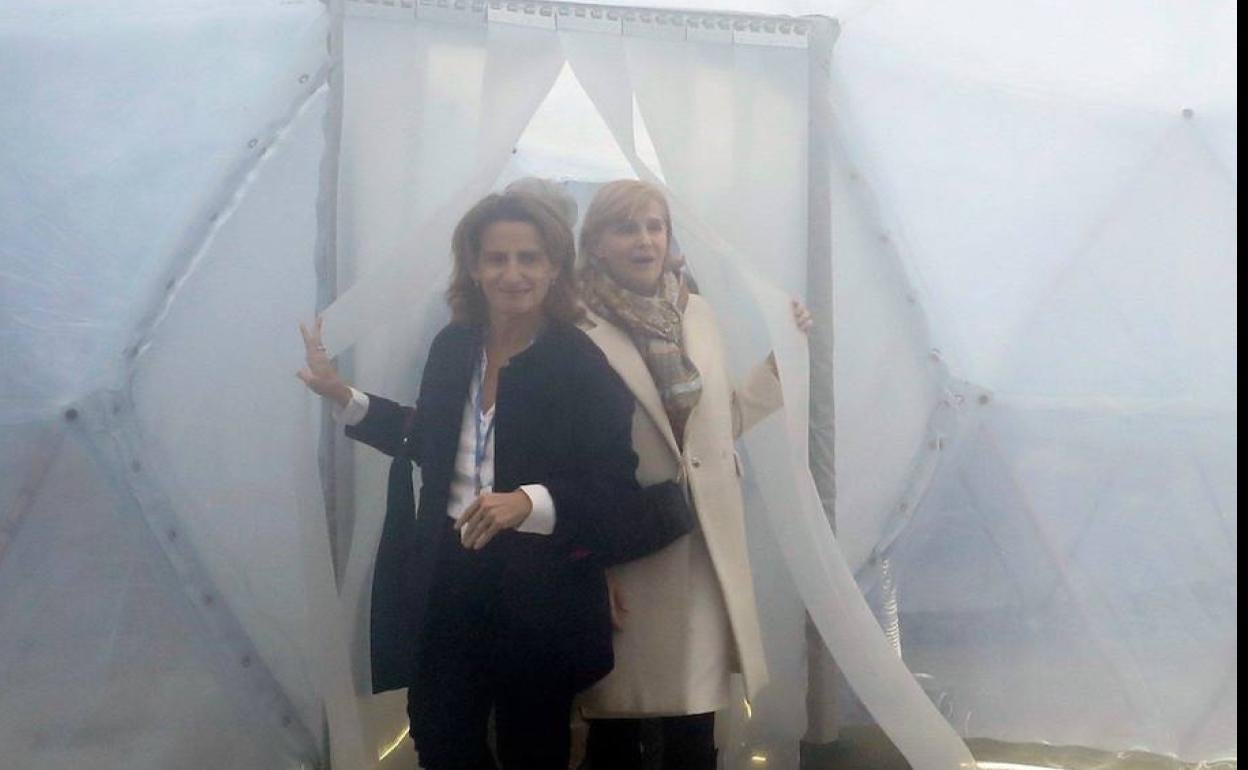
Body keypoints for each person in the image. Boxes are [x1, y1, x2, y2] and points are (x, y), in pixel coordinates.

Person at [298, 191, 692, 770]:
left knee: (531, 747)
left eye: (529, 258)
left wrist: (528, 503)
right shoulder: (454, 346)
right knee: (438, 736)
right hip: (449, 574)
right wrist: (345, 397)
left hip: (541, 587)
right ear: (474, 267)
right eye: (497, 258)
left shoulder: (579, 364)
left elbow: (613, 491)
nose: (513, 274)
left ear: (554, 268)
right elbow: (430, 439)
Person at [575, 180, 812, 770]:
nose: (644, 240)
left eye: (654, 226)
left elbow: (717, 424)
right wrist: (586, 563)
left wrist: (783, 362)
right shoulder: (574, 326)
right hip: (628, 544)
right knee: (617, 720)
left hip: (702, 541)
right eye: (626, 228)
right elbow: (567, 452)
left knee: (696, 719)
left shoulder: (695, 312)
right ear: (596, 243)